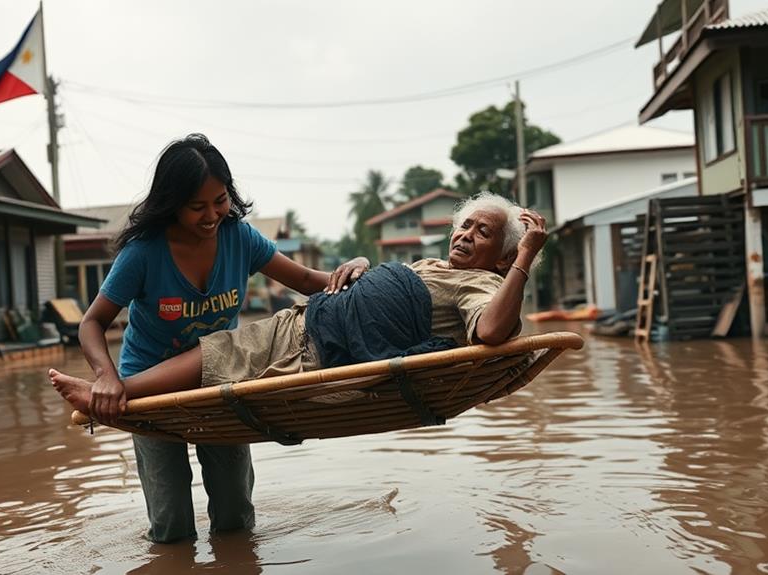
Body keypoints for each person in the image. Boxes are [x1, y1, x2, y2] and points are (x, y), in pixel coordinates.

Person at [70, 133, 370, 543]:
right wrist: (105, 375)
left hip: (219, 381)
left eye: (221, 200)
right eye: (197, 206)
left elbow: (306, 280)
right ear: (172, 203)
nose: (212, 215)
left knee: (235, 515)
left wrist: (356, 268)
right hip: (147, 391)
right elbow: (91, 323)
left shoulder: (240, 238)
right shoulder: (143, 252)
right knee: (170, 523)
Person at [52, 191, 548, 414]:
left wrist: (524, 255)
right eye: (464, 224)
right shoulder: (435, 267)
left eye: (482, 233)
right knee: (224, 348)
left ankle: (113, 396)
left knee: (222, 353)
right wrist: (356, 264)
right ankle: (115, 391)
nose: (464, 235)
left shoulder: (483, 285)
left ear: (501, 258)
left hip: (326, 347)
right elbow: (357, 284)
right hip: (322, 318)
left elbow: (490, 332)